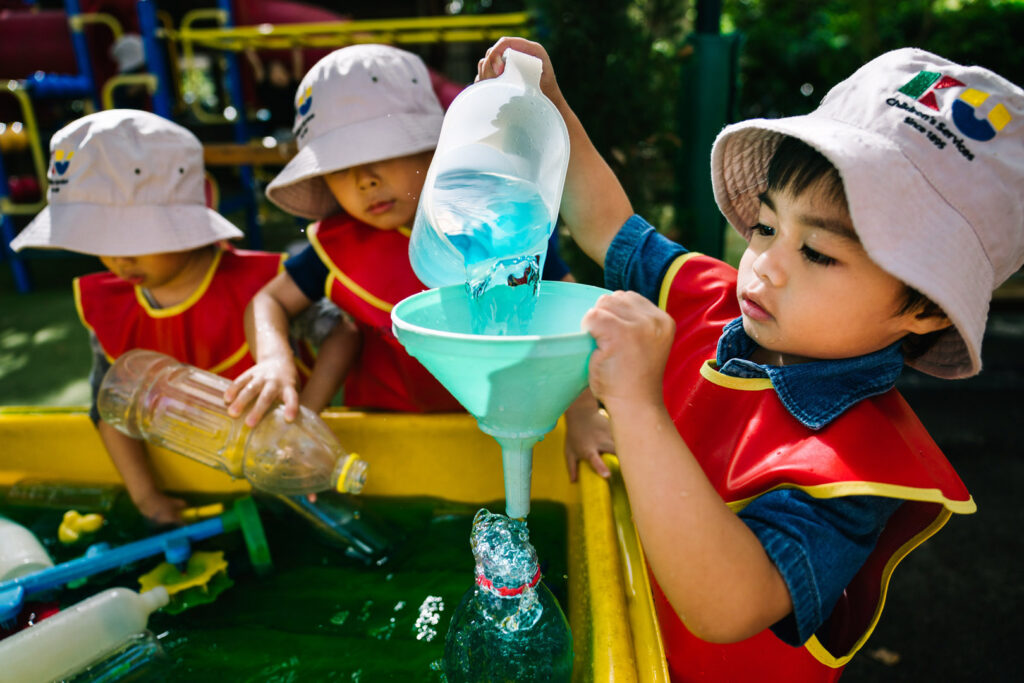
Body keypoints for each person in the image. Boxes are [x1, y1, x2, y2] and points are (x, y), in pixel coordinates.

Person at [477, 38, 1024, 680]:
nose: (765, 265)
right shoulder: (706, 300)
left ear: (926, 308)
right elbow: (607, 226)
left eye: (818, 253)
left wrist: (634, 405)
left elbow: (727, 607)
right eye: (765, 228)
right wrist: (551, 111)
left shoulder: (855, 466)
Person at [10, 109, 353, 525]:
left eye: (132, 235)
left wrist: (305, 418)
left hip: (294, 471)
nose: (119, 258)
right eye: (98, 238)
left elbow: (342, 332)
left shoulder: (263, 284)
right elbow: (108, 408)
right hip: (197, 477)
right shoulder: (109, 306)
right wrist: (147, 498)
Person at [224, 44, 575, 426]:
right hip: (386, 426)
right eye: (341, 168)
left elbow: (566, 317)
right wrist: (275, 360)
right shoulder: (338, 248)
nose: (364, 180)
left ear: (433, 149)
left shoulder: (496, 221)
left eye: (382, 152)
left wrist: (582, 414)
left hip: (507, 423)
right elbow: (268, 301)